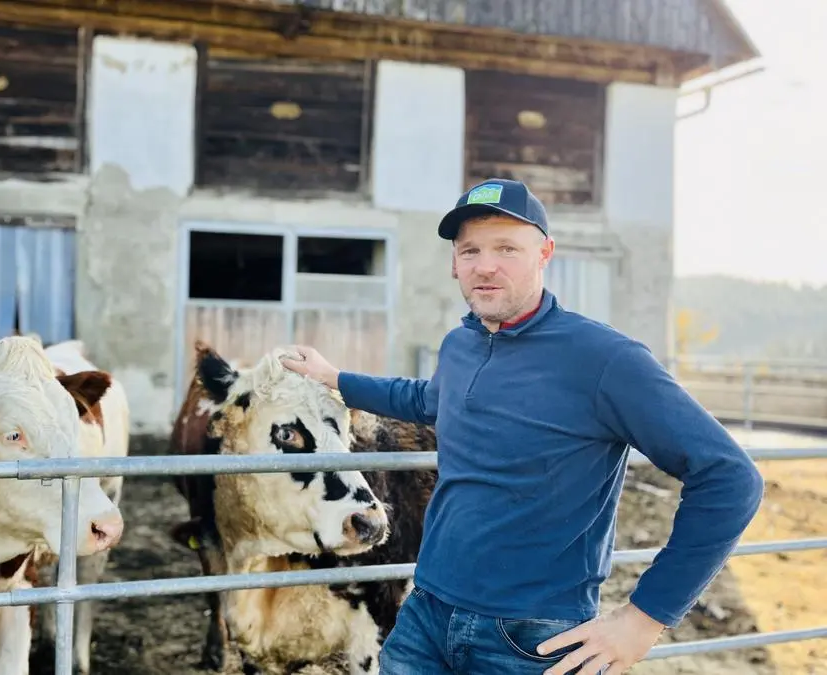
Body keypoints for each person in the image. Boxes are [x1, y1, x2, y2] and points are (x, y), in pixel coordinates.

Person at [280, 178, 765, 675]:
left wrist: (644, 619)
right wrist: (334, 378)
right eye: (470, 250)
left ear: (544, 253)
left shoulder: (604, 359)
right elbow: (427, 399)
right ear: (454, 264)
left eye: (507, 247)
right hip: (426, 614)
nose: (485, 265)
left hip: (534, 638)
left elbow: (730, 479)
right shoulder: (461, 345)